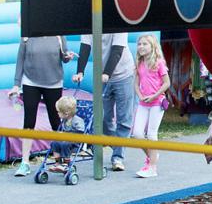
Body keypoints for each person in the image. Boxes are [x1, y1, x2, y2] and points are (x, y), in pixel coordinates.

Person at [8, 35, 74, 176]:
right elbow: (20, 59)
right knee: (29, 121)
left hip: (54, 81)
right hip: (30, 81)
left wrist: (68, 57)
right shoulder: (28, 35)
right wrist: (16, 85)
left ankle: (59, 160)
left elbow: (64, 57)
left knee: (55, 121)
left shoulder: (58, 35)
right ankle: (24, 163)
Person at [72, 33, 136, 172]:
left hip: (123, 75)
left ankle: (118, 157)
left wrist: (107, 73)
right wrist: (80, 72)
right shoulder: (91, 20)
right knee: (103, 118)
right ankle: (117, 144)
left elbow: (117, 50)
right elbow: (85, 47)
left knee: (124, 119)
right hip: (102, 75)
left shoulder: (117, 24)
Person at [131, 34, 170, 178]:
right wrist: (140, 95)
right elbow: (136, 83)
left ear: (152, 46)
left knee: (152, 134)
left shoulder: (159, 63)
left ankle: (152, 167)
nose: (141, 47)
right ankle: (152, 155)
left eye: (145, 44)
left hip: (157, 102)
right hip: (143, 102)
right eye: (139, 44)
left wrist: (154, 95)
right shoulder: (139, 63)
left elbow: (167, 83)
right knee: (137, 133)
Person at [48, 94, 87, 165]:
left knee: (65, 144)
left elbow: (80, 132)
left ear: (66, 113)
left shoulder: (77, 121)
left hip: (76, 142)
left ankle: (66, 163)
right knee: (54, 143)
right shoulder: (64, 120)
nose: (57, 113)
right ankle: (57, 162)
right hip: (66, 140)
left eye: (58, 112)